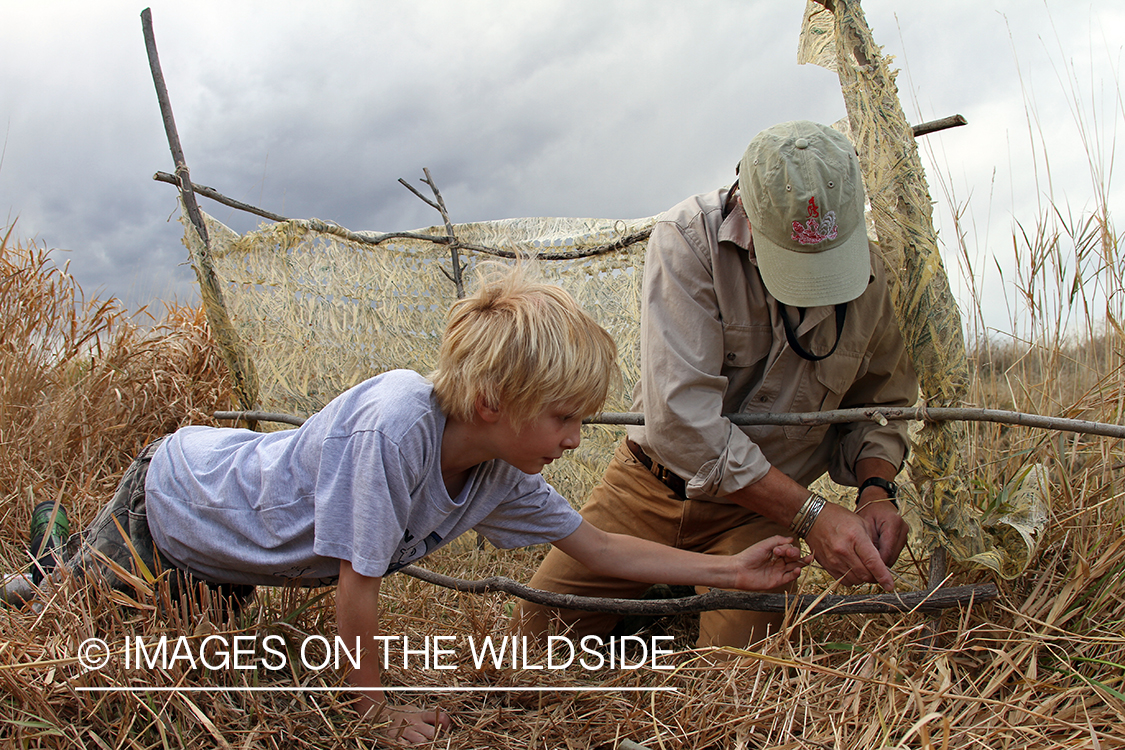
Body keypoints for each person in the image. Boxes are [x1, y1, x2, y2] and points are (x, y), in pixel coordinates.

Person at [45, 264, 809, 746]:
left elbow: (601, 549)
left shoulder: (497, 472)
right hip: (174, 504)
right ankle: (45, 569)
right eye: (563, 417)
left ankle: (55, 558)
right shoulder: (395, 426)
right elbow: (358, 585)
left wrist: (735, 572)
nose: (577, 440)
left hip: (220, 557)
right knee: (55, 619)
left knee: (163, 646)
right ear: (489, 401)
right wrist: (373, 712)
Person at [513, 120, 919, 650]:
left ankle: (675, 590)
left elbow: (882, 403)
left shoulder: (870, 275)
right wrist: (812, 514)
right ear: (745, 209)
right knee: (531, 647)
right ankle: (661, 585)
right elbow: (683, 421)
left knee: (736, 680)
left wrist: (875, 493)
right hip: (649, 490)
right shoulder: (687, 241)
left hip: (759, 516)